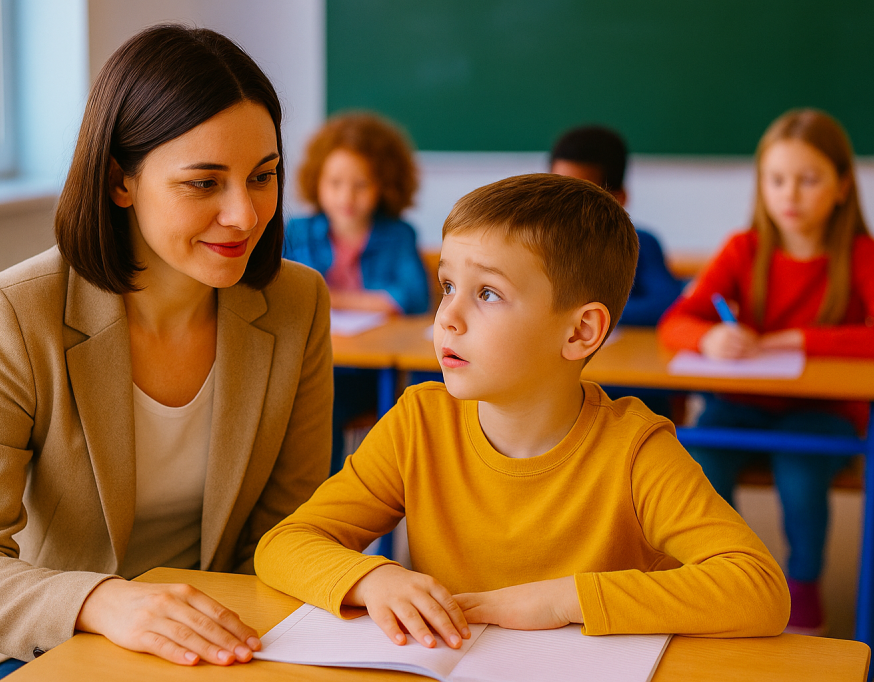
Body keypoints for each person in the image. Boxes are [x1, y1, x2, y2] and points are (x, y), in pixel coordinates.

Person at [0, 25, 333, 682]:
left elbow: (286, 532)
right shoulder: (12, 314)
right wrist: (104, 601)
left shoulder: (298, 302)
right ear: (120, 181)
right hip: (32, 643)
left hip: (215, 641)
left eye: (262, 176)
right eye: (204, 183)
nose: (245, 214)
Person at [255, 174, 789, 648]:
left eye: (487, 293)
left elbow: (758, 589)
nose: (448, 318)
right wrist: (372, 579)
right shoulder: (419, 422)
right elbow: (284, 545)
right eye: (447, 286)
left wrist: (562, 601)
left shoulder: (635, 449)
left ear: (580, 331)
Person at [658, 109, 874, 634]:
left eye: (809, 180)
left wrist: (795, 338)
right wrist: (710, 336)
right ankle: (718, 581)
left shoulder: (863, 253)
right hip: (743, 405)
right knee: (698, 463)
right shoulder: (743, 248)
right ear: (761, 185)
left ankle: (803, 586)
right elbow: (676, 321)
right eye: (777, 180)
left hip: (824, 413)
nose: (790, 194)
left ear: (841, 187)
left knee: (800, 472)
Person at [284, 112, 429, 471]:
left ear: (384, 186)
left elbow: (412, 299)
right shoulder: (296, 231)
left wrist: (329, 297)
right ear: (316, 182)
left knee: (328, 403)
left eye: (361, 184)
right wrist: (373, 301)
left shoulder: (398, 234)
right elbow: (283, 294)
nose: (346, 196)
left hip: (370, 373)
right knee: (304, 403)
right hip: (310, 365)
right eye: (335, 183)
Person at [550, 125, 682, 326]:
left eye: (581, 196)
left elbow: (667, 304)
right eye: (555, 190)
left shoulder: (640, 244)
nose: (565, 205)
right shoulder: (536, 244)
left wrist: (575, 311)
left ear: (618, 198)